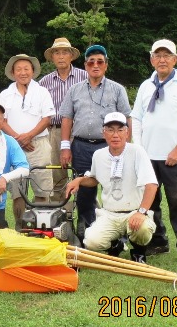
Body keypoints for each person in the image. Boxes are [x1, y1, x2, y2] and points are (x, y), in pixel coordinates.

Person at [131, 39, 177, 266]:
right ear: (152, 59)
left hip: (175, 157)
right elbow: (137, 118)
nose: (162, 59)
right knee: (150, 203)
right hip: (148, 156)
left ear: (175, 59)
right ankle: (158, 241)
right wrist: (139, 147)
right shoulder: (145, 85)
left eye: (167, 55)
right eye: (158, 55)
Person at [59, 45, 132, 237]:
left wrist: (126, 148)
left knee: (116, 188)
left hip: (110, 147)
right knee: (84, 190)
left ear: (106, 65)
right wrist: (65, 147)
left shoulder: (117, 89)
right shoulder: (74, 90)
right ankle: (87, 230)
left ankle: (119, 233)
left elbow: (127, 118)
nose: (95, 65)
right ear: (85, 65)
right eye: (91, 62)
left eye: (100, 61)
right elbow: (66, 118)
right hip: (81, 146)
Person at [65, 112, 158, 263]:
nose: (115, 135)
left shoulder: (137, 151)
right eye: (110, 130)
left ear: (127, 132)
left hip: (134, 211)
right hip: (109, 214)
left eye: (120, 130)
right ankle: (116, 244)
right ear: (104, 133)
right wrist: (79, 180)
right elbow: (94, 179)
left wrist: (141, 212)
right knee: (91, 241)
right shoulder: (98, 154)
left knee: (143, 229)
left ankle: (139, 251)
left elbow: (151, 184)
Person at [0, 54, 56, 230]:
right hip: (14, 146)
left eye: (26, 69)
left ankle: (41, 226)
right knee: (17, 190)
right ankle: (20, 226)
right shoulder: (5, 94)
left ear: (32, 71)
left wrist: (28, 136)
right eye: (19, 69)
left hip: (39, 144)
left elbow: (47, 119)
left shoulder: (42, 91)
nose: (23, 72)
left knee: (42, 188)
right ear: (13, 72)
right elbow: (1, 120)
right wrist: (18, 139)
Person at [39, 38, 88, 200]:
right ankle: (60, 216)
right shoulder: (44, 82)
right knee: (57, 176)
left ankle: (87, 218)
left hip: (80, 131)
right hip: (55, 131)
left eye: (65, 52)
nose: (61, 56)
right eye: (57, 53)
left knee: (83, 175)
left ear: (71, 56)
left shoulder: (84, 77)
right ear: (52, 57)